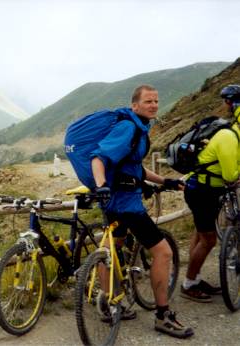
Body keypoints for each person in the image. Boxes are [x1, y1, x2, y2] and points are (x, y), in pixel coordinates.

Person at [89, 85, 194, 338]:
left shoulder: (138, 128)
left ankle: (109, 304)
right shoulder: (129, 127)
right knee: (163, 252)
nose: (154, 105)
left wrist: (165, 181)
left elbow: (134, 167)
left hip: (116, 201)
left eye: (157, 101)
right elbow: (99, 158)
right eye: (148, 101)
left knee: (111, 249)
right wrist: (100, 185)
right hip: (126, 204)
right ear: (135, 105)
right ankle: (163, 316)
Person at [180, 85, 240, 303]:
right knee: (208, 240)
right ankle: (188, 284)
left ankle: (194, 278)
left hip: (206, 189)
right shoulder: (228, 136)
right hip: (202, 190)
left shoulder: (231, 133)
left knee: (200, 232)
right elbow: (230, 174)